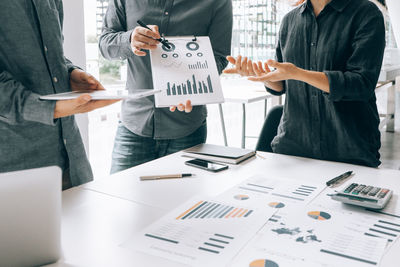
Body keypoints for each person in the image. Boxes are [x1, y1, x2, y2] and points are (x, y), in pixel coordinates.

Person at [224, 0, 385, 167]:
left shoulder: (365, 13)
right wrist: (264, 77)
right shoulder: (289, 20)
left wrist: (298, 73)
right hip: (293, 149)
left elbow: (361, 84)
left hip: (348, 151)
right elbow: (282, 85)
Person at [99, 0, 233, 173]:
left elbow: (219, 57)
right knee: (122, 199)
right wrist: (129, 39)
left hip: (187, 128)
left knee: (186, 200)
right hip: (134, 124)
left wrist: (193, 87)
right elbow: (105, 43)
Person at [0, 0, 118, 189]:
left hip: (73, 163)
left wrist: (70, 73)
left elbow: (53, 53)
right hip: (17, 172)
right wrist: (51, 108)